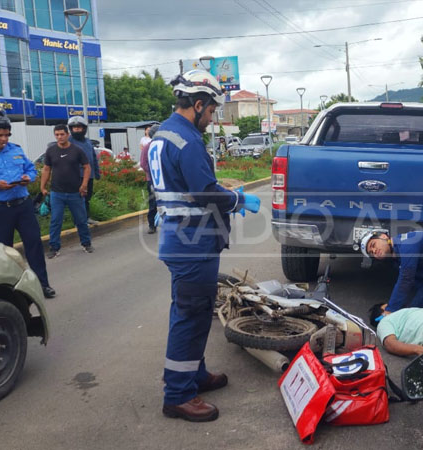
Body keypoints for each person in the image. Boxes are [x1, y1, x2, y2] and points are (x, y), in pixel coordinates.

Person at [152, 69, 260, 422]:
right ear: (198, 104)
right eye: (211, 110)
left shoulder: (162, 134)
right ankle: (178, 395)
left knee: (195, 313)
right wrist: (237, 199)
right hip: (193, 243)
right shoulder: (187, 140)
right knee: (190, 316)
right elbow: (204, 193)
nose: (212, 118)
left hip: (180, 238)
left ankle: (193, 374)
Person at [0, 111, 55, 298]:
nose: (4, 139)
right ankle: (9, 293)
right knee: (4, 252)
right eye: (0, 135)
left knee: (34, 245)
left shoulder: (16, 150)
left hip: (23, 206)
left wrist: (27, 178)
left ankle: (42, 285)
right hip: (2, 209)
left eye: (7, 135)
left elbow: (31, 169)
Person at [40, 124, 93, 258]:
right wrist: (42, 187)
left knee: (81, 220)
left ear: (67, 135)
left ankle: (86, 243)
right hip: (57, 193)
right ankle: (54, 247)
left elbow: (87, 167)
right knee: (55, 221)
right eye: (57, 135)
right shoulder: (51, 151)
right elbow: (46, 169)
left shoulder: (77, 150)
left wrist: (84, 184)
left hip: (75, 192)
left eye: (62, 134)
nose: (59, 137)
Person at [68, 116, 100, 225]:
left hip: (89, 175)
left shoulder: (88, 142)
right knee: (77, 198)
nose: (77, 129)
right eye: (74, 127)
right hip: (76, 176)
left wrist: (97, 172)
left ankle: (86, 218)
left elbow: (93, 158)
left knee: (87, 198)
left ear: (84, 128)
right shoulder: (69, 141)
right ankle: (78, 221)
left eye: (79, 127)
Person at [138, 123, 159, 234]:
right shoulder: (147, 147)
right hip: (152, 180)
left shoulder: (164, 146)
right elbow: (143, 163)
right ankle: (152, 225)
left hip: (164, 180)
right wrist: (153, 173)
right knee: (153, 203)